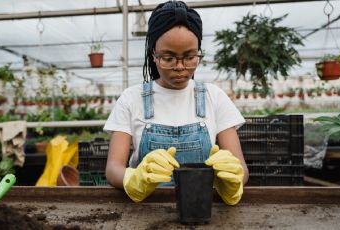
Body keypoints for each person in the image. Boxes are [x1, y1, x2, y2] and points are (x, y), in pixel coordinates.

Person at [103, 0, 248, 205]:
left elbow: (241, 168)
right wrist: (133, 178)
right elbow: (113, 168)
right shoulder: (131, 98)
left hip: (201, 207)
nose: (180, 67)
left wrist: (232, 179)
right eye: (168, 58)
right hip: (146, 210)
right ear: (153, 54)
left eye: (189, 57)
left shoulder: (213, 97)